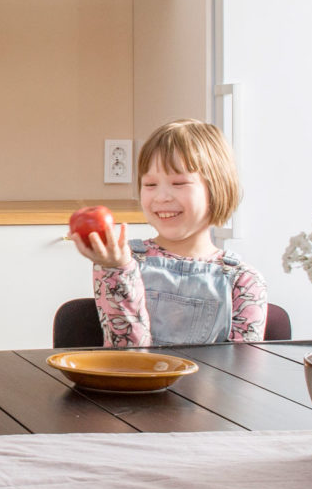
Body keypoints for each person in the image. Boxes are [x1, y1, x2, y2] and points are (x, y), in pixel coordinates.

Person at [73, 119, 267, 346]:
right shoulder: (124, 261)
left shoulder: (245, 281)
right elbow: (126, 353)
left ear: (217, 188)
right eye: (150, 185)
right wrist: (117, 270)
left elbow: (242, 365)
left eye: (179, 183)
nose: (162, 197)